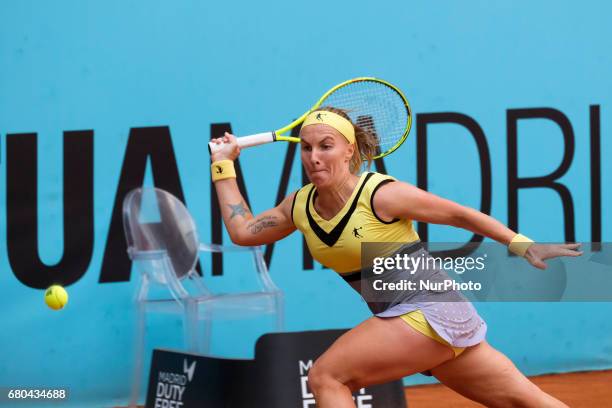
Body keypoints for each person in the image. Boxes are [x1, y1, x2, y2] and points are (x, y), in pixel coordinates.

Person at [209, 107, 581, 408]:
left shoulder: (380, 194)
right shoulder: (299, 205)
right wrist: (223, 165)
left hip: (430, 311)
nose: (314, 157)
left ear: (350, 150)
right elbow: (244, 231)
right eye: (306, 148)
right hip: (418, 321)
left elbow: (459, 214)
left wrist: (522, 243)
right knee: (528, 402)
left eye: (326, 146)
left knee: (326, 376)